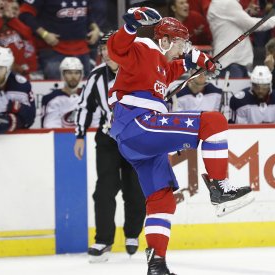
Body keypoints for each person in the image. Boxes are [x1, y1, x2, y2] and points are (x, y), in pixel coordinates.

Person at [106, 8, 253, 274]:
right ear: (163, 40)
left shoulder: (161, 64)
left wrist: (202, 61)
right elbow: (116, 50)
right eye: (180, 44)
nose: (182, 49)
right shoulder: (141, 47)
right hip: (137, 124)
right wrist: (132, 23)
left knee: (162, 198)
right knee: (214, 122)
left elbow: (180, 66)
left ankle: (157, 264)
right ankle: (220, 187)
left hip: (139, 139)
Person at [74, 32, 146, 262]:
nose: (105, 53)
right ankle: (103, 240)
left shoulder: (138, 71)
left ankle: (132, 233)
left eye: (109, 48)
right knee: (104, 189)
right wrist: (79, 135)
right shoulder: (96, 76)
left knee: (134, 189)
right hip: (107, 139)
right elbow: (85, 106)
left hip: (135, 138)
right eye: (102, 49)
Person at [19, 0, 101, 79]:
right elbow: (25, 13)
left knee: (86, 90)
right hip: (54, 50)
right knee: (56, 90)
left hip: (82, 50)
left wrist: (95, 28)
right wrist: (44, 34)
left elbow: (87, 12)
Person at [207, 0, 275, 78]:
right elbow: (253, 25)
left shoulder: (218, 3)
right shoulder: (227, 3)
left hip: (231, 62)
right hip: (232, 63)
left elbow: (231, 23)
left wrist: (246, 13)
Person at [0, 0, 38, 78]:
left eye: (3, 1)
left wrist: (11, 18)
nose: (1, 3)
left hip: (21, 70)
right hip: (0, 69)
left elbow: (27, 34)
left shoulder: (15, 21)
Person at [41, 57, 91, 128]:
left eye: (77, 73)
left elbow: (95, 125)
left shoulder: (89, 97)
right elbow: (49, 127)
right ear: (63, 75)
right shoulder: (50, 98)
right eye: (69, 73)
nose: (73, 76)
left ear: (81, 75)